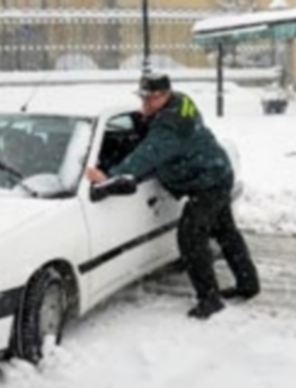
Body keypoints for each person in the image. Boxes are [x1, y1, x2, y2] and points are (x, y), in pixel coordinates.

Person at [86, 73, 260, 320]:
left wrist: (110, 176)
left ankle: (209, 300)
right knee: (225, 231)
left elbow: (147, 154)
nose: (145, 103)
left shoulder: (170, 125)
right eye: (142, 97)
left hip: (208, 181)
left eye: (151, 98)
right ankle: (248, 284)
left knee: (190, 236)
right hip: (216, 171)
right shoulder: (179, 102)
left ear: (165, 95)